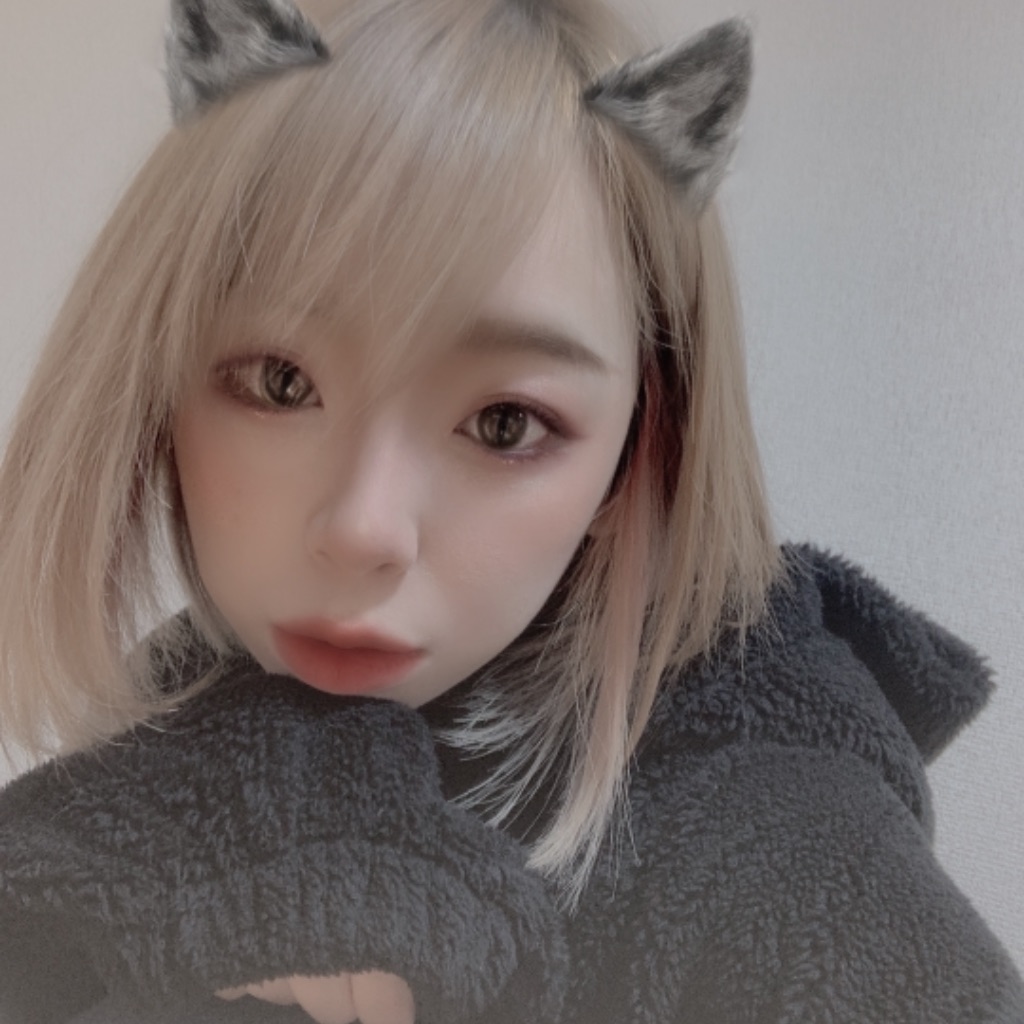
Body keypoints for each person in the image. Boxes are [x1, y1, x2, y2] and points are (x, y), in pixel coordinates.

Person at [0, 0, 1020, 1021]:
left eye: (503, 424)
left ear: (639, 454)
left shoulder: (786, 857)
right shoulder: (166, 731)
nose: (362, 529)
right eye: (280, 382)